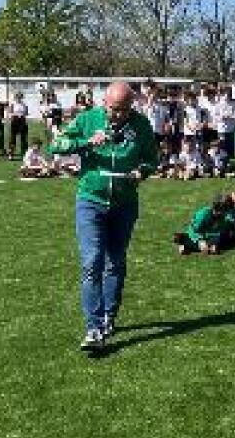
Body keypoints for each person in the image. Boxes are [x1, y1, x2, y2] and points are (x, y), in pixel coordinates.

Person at [50, 80, 158, 351]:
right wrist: (86, 142)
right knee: (91, 262)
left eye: (124, 109)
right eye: (113, 109)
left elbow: (151, 158)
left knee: (115, 262)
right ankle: (94, 327)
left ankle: (109, 315)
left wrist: (141, 172)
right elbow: (57, 145)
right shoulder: (87, 119)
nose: (118, 114)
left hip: (124, 203)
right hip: (91, 200)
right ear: (104, 103)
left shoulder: (141, 125)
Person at [7, 92, 30, 160]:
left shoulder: (24, 104)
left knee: (23, 139)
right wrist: (14, 115)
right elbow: (10, 112)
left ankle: (24, 153)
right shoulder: (13, 104)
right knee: (12, 139)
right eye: (17, 97)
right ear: (15, 98)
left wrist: (23, 114)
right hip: (15, 120)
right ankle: (11, 154)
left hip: (22, 120)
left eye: (20, 97)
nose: (19, 98)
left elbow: (26, 112)